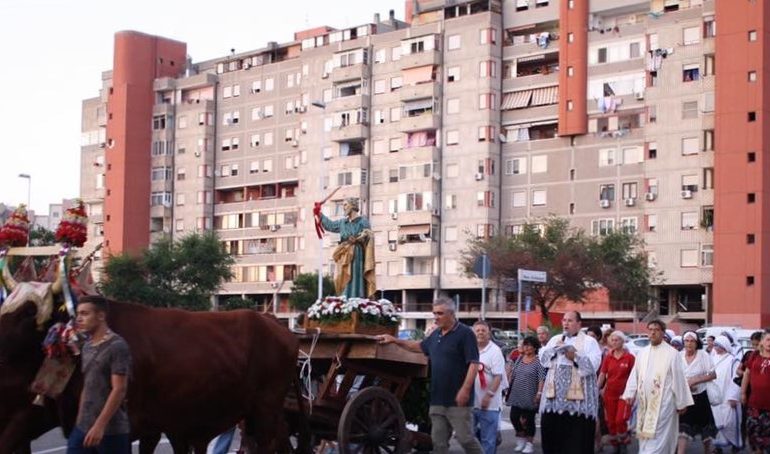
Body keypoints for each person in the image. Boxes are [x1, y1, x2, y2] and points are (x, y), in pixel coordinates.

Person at [377, 297, 482, 453]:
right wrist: (395, 340)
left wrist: (465, 390)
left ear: (451, 313)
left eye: (440, 313)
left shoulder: (465, 333)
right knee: (438, 443)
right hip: (437, 400)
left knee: (465, 439)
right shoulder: (436, 334)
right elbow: (419, 346)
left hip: (459, 401)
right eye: (434, 313)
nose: (436, 317)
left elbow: (474, 364)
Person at [67, 295, 132, 454]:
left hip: (111, 431)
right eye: (78, 314)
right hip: (83, 428)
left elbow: (119, 389)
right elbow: (87, 385)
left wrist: (99, 426)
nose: (79, 319)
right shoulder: (87, 346)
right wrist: (80, 420)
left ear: (101, 316)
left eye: (85, 314)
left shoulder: (117, 346)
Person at [622, 320, 693, 454]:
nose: (653, 332)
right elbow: (635, 375)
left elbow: (678, 379)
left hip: (664, 403)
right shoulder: (642, 353)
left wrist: (681, 402)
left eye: (656, 330)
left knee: (660, 438)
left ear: (663, 333)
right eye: (650, 329)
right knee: (645, 436)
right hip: (645, 403)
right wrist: (630, 393)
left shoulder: (672, 353)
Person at [539, 311, 602, 454]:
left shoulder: (589, 342)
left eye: (570, 320)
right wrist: (554, 350)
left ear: (579, 324)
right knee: (553, 439)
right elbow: (544, 360)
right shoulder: (555, 339)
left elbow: (594, 365)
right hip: (554, 400)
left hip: (578, 402)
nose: (565, 323)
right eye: (564, 320)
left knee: (575, 442)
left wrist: (574, 356)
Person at [314, 197, 375, 298]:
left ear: (353, 206)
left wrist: (359, 238)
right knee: (341, 276)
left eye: (345, 205)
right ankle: (344, 298)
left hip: (357, 252)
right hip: (344, 252)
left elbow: (369, 235)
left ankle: (356, 298)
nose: (344, 208)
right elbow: (330, 225)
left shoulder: (363, 221)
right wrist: (319, 213)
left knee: (355, 275)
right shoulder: (342, 222)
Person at [678, 331, 717, 454]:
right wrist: (685, 385)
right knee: (683, 429)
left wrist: (695, 380)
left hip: (700, 397)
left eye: (692, 341)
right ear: (683, 342)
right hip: (685, 398)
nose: (689, 344)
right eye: (686, 341)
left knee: (705, 430)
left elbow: (713, 374)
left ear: (696, 343)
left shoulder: (703, 355)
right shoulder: (678, 356)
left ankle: (708, 451)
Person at [472, 320, 507, 454]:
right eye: (477, 330)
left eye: (483, 330)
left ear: (489, 333)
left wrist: (489, 395)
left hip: (489, 405)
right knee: (471, 439)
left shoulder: (495, 351)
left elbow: (498, 376)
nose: (480, 333)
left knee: (488, 441)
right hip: (471, 403)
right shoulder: (470, 348)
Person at [506, 335, 545, 453]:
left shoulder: (539, 361)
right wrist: (508, 385)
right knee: (514, 417)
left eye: (529, 345)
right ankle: (521, 439)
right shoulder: (519, 358)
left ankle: (529, 443)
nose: (526, 348)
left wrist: (539, 393)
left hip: (530, 394)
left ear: (535, 347)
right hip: (516, 393)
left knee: (529, 420)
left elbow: (541, 378)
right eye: (525, 345)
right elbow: (513, 373)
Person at [598, 330, 635, 453]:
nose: (614, 342)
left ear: (622, 341)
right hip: (609, 394)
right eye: (612, 340)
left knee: (620, 420)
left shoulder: (630, 358)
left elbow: (635, 376)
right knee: (611, 422)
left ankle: (624, 442)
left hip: (625, 395)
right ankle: (616, 446)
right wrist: (597, 389)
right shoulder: (608, 357)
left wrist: (634, 393)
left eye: (617, 340)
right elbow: (603, 374)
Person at [711, 335, 743, 451]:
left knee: (730, 422)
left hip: (729, 397)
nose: (715, 348)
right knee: (716, 421)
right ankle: (717, 446)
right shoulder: (713, 358)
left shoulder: (732, 360)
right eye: (715, 345)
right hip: (715, 396)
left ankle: (735, 444)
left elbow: (736, 379)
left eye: (718, 345)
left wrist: (733, 396)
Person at [741, 330, 770, 454]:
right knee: (754, 436)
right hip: (754, 404)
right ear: (762, 342)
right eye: (768, 339)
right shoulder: (754, 355)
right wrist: (742, 392)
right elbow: (746, 374)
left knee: (768, 439)